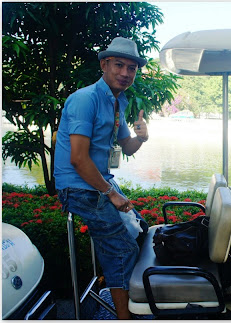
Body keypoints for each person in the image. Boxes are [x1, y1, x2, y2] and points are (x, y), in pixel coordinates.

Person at [54, 37, 150, 319]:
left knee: (140, 231)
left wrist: (142, 137)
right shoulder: (85, 99)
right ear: (104, 64)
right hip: (78, 187)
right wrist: (111, 192)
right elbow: (78, 159)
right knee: (122, 249)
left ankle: (125, 294)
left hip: (98, 182)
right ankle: (124, 317)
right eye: (119, 65)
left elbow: (127, 147)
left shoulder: (118, 102)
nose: (125, 73)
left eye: (131, 68)